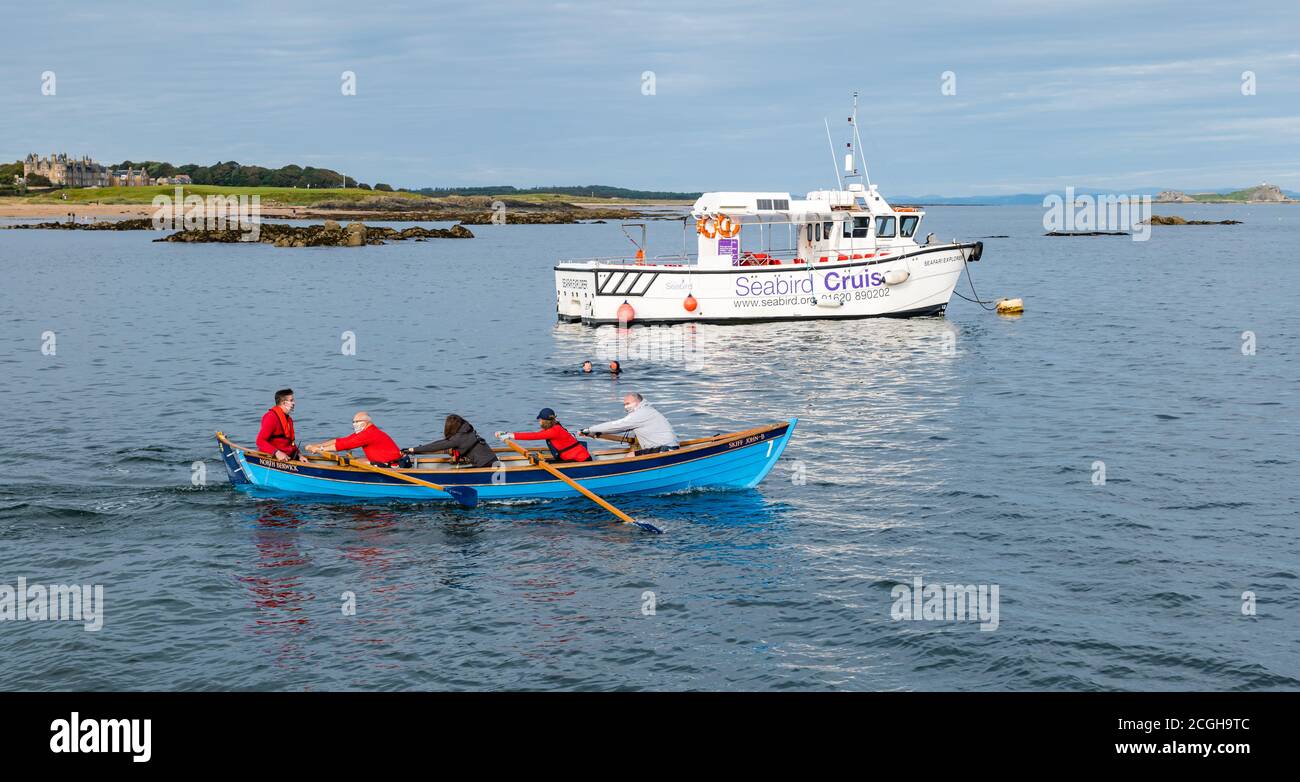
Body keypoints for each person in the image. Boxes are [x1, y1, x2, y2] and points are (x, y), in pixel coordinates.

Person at [582, 393, 679, 453]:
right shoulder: (648, 410)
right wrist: (596, 434)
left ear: (637, 402)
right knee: (634, 453)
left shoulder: (641, 413)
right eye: (624, 404)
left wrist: (590, 429)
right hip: (668, 448)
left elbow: (616, 425)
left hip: (664, 450)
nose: (625, 407)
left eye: (628, 403)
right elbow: (631, 438)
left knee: (630, 456)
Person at [305, 411, 406, 467]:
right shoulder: (365, 432)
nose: (354, 424)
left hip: (391, 466)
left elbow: (345, 445)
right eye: (353, 422)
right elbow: (342, 441)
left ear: (365, 422)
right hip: (382, 460)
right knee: (356, 460)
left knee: (352, 464)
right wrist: (318, 445)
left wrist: (320, 450)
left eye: (357, 422)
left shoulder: (369, 434)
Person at [497, 408, 591, 462]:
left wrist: (510, 436)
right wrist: (507, 433)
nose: (539, 422)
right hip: (572, 458)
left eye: (540, 420)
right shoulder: (555, 427)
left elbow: (534, 436)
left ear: (544, 421)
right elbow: (538, 434)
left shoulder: (554, 431)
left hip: (580, 460)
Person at [404, 414, 497, 468]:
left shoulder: (458, 439)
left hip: (487, 467)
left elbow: (435, 446)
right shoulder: (468, 430)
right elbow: (441, 443)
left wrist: (413, 449)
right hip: (494, 461)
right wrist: (417, 449)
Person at [257, 388, 300, 461]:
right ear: (284, 403)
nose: (294, 403)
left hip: (288, 458)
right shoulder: (271, 417)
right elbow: (260, 441)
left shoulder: (289, 419)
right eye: (291, 400)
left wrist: (299, 455)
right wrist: (277, 452)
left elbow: (289, 442)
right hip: (273, 459)